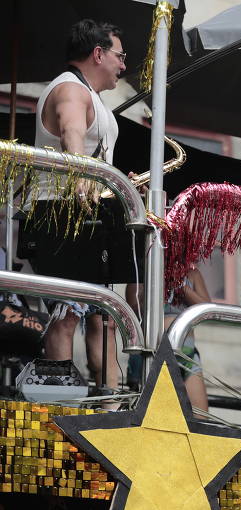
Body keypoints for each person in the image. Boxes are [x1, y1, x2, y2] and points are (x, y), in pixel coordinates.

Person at [31, 20, 125, 391]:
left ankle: (112, 401)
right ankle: (60, 401)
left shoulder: (91, 94)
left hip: (88, 214)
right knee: (67, 313)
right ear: (98, 53)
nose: (123, 65)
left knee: (104, 316)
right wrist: (85, 179)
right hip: (62, 211)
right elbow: (72, 133)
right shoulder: (70, 88)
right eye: (120, 56)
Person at [163, 268, 210, 415]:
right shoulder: (148, 266)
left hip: (188, 355)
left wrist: (183, 288)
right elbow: (135, 305)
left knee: (200, 417)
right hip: (158, 355)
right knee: (164, 414)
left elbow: (207, 309)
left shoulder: (193, 272)